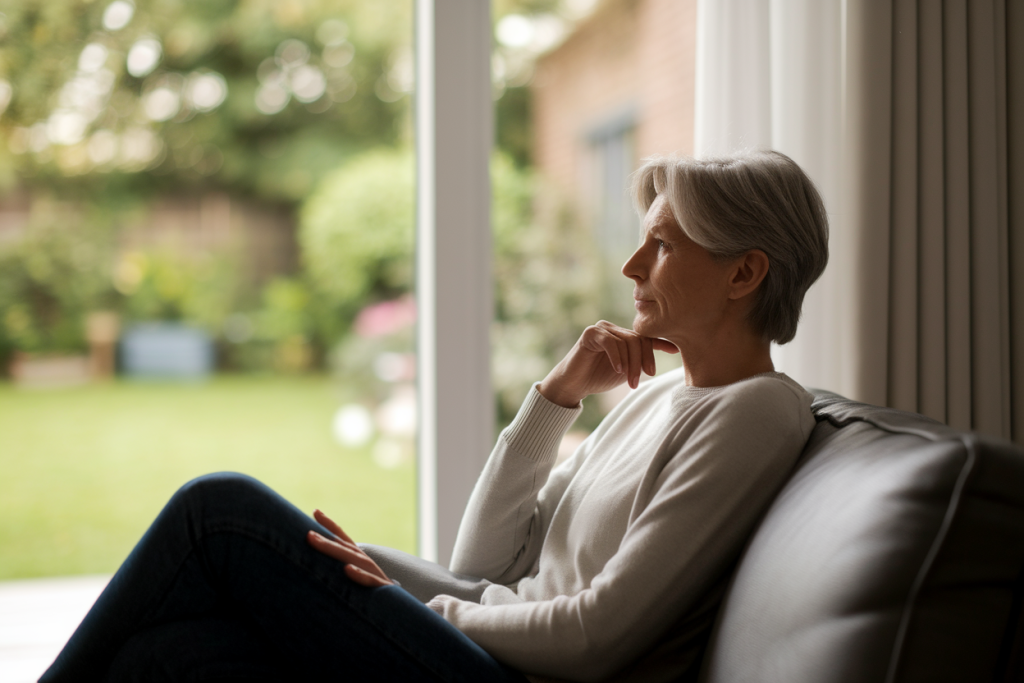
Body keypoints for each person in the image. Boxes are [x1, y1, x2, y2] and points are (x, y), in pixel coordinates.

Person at [40, 149, 828, 683]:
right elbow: (486, 558)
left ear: (745, 272)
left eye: (660, 246)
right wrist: (555, 396)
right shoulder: (657, 395)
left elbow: (597, 637)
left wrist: (415, 600)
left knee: (221, 511)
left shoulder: (758, 412)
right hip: (484, 651)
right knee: (170, 655)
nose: (629, 266)